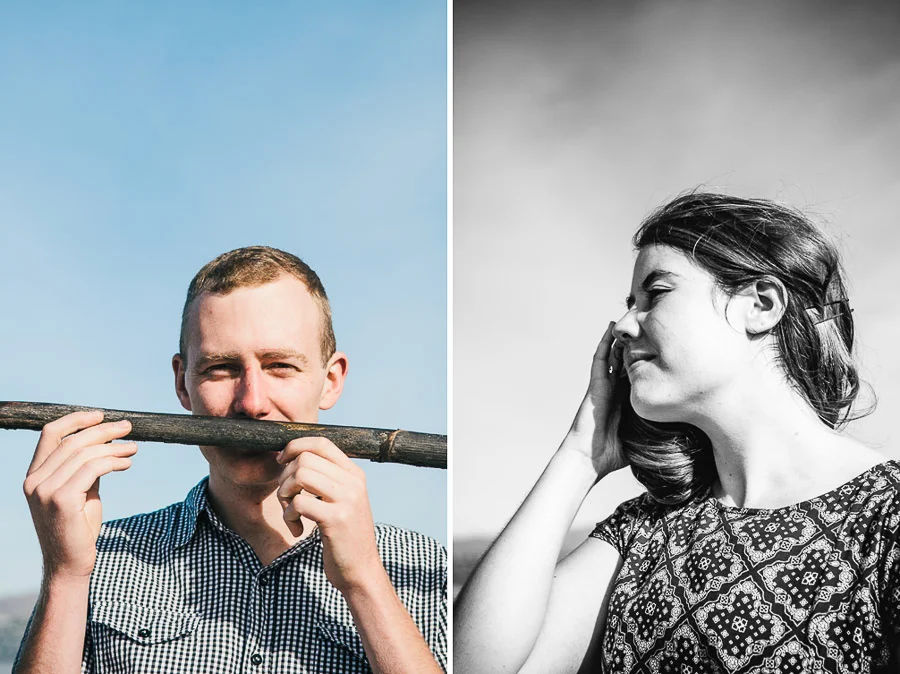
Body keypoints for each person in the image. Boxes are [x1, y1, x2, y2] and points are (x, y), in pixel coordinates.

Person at [455, 192, 900, 673]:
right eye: (630, 304)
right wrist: (580, 455)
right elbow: (474, 665)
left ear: (761, 305)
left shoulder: (887, 516)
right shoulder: (643, 530)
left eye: (657, 293)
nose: (623, 325)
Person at [14, 246, 447, 674]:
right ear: (182, 384)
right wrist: (65, 575)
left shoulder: (428, 568)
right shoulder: (98, 556)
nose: (251, 403)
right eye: (220, 368)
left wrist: (365, 582)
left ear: (330, 381)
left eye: (280, 366)